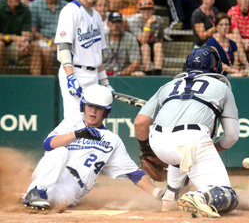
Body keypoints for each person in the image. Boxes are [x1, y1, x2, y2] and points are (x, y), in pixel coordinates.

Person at [134, 46, 239, 217]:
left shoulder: (168, 86)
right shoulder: (222, 88)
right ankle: (199, 196)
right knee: (228, 196)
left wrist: (147, 151)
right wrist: (214, 147)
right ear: (215, 67)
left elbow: (140, 123)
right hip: (191, 141)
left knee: (182, 158)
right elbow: (231, 137)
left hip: (158, 142)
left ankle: (170, 197)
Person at [23, 84, 164, 210]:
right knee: (61, 151)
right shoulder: (71, 124)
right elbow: (48, 145)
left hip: (73, 185)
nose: (93, 111)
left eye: (99, 108)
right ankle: (38, 191)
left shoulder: (112, 140)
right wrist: (77, 134)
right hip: (50, 173)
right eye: (90, 105)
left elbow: (134, 174)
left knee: (53, 201)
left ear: (106, 112)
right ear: (83, 106)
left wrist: (158, 193)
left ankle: (35, 195)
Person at [54, 0, 114, 122]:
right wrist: (70, 77)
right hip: (75, 73)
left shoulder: (98, 17)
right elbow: (64, 47)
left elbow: (97, 55)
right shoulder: (70, 10)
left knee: (91, 121)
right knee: (75, 120)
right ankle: (59, 144)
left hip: (93, 76)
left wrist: (105, 82)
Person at [0, 0, 41, 75]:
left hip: (15, 48)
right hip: (2, 45)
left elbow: (26, 33)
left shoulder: (25, 10)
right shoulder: (0, 7)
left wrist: (25, 41)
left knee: (35, 46)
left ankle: (37, 83)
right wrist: (13, 37)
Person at [29, 0, 67, 75]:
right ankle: (49, 83)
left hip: (62, 41)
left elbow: (69, 29)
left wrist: (58, 41)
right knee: (46, 51)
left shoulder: (67, 7)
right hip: (42, 41)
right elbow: (33, 31)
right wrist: (49, 42)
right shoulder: (35, 5)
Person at [206, 12, 249, 77]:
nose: (224, 27)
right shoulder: (211, 43)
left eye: (226, 24)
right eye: (221, 25)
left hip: (230, 73)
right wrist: (233, 70)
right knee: (240, 75)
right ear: (216, 26)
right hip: (217, 74)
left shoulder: (232, 43)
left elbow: (235, 63)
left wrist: (236, 67)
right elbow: (217, 64)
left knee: (244, 73)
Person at [126, 0, 164, 75]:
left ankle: (158, 73)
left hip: (154, 49)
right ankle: (148, 73)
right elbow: (143, 40)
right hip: (138, 48)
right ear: (139, 10)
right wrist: (148, 23)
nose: (146, 12)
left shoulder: (159, 20)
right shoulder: (134, 21)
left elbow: (160, 37)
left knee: (158, 45)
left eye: (149, 9)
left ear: (153, 10)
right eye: (143, 9)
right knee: (145, 46)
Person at [103, 11, 143, 76]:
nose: (116, 25)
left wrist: (120, 74)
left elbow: (136, 63)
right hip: (104, 74)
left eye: (119, 22)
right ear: (108, 24)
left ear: (122, 24)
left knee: (139, 74)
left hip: (123, 74)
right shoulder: (102, 39)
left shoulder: (130, 38)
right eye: (113, 22)